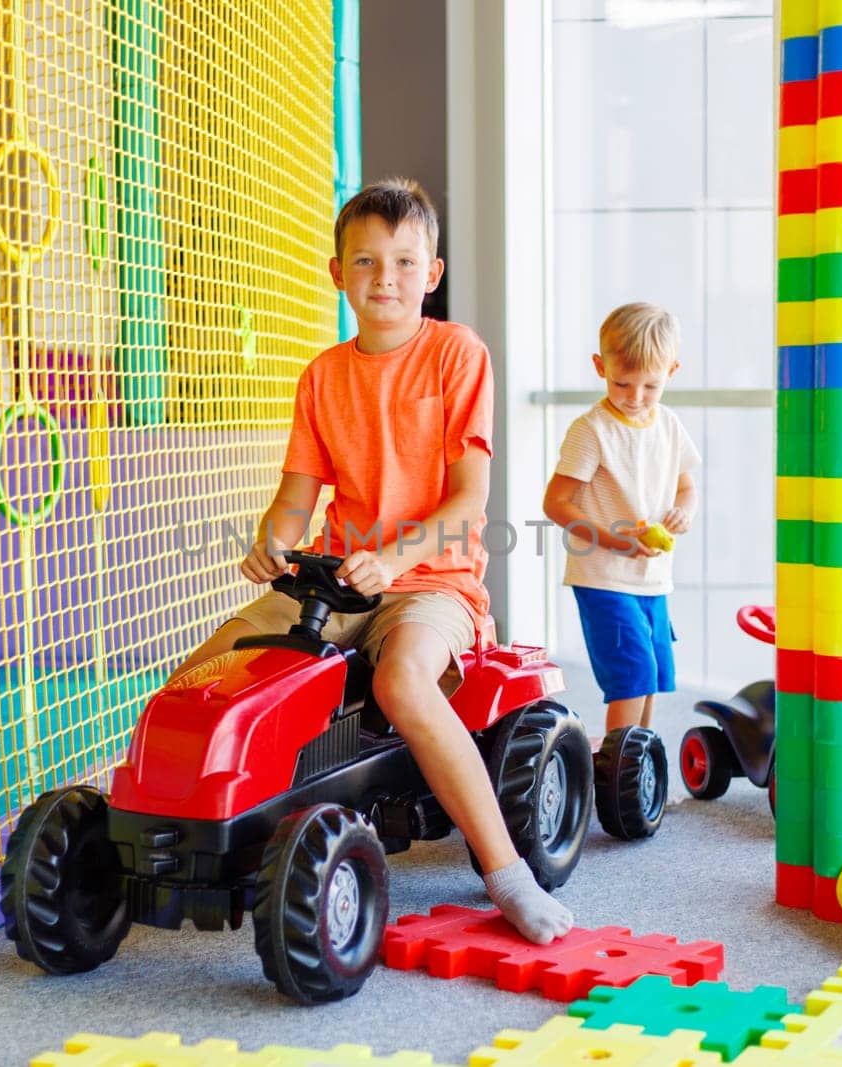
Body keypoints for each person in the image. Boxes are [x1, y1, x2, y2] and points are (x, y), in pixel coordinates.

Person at [166, 178, 574, 944]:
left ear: (433, 273)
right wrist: (273, 542)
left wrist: (393, 558)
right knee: (206, 666)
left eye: (403, 261)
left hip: (431, 580)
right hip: (334, 575)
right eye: (366, 261)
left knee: (401, 679)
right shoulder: (323, 376)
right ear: (337, 274)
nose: (385, 277)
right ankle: (174, 826)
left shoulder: (457, 354)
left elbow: (465, 501)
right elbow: (296, 496)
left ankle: (507, 872)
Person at [542, 302, 701, 735]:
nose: (634, 397)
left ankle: (639, 757)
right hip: (604, 576)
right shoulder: (590, 430)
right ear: (600, 367)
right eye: (622, 383)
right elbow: (556, 503)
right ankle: (620, 766)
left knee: (649, 673)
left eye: (650, 386)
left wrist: (682, 513)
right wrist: (614, 541)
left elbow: (687, 488)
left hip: (653, 577)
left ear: (672, 371)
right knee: (631, 672)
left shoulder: (668, 425)